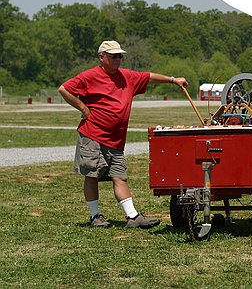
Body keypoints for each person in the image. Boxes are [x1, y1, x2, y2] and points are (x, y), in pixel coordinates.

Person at [58, 40, 188, 228]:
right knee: (92, 175)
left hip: (116, 140)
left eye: (120, 56)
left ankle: (133, 217)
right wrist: (83, 108)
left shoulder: (127, 76)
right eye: (114, 56)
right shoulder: (89, 76)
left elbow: (148, 76)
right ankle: (95, 216)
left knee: (120, 176)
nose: (118, 59)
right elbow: (64, 89)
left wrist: (173, 80)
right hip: (93, 135)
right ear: (101, 58)